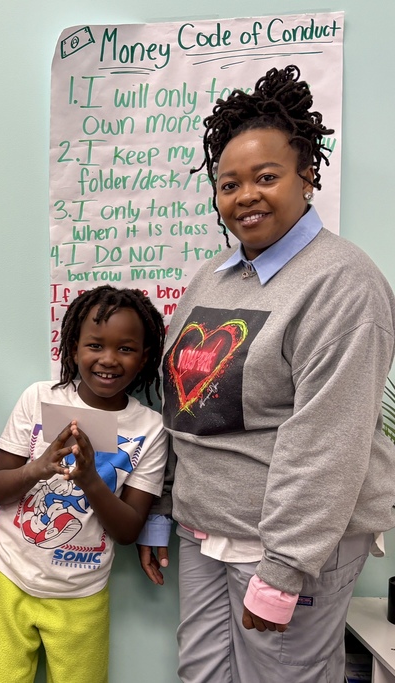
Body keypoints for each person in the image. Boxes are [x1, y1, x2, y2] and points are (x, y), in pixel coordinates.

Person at [137, 64, 395, 683]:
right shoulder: (215, 276)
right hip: (207, 528)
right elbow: (187, 406)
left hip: (289, 543)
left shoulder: (342, 283)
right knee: (201, 673)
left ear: (307, 175)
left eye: (266, 177)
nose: (244, 195)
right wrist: (161, 508)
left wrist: (284, 568)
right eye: (229, 184)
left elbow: (327, 442)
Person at [0, 286, 168, 683]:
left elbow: (128, 530)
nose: (108, 360)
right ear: (72, 348)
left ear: (145, 358)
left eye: (126, 349)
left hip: (82, 592)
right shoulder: (38, 398)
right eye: (95, 345)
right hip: (10, 577)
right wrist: (40, 467)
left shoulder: (150, 429)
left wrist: (90, 481)